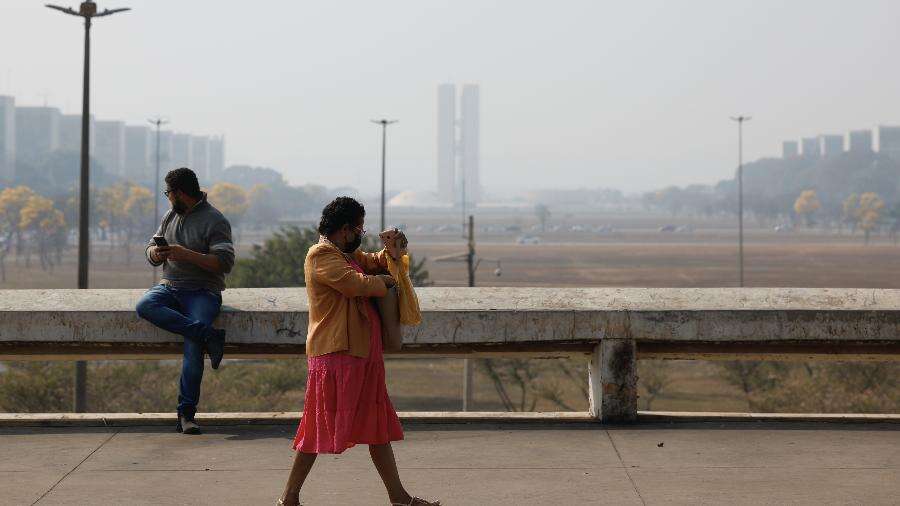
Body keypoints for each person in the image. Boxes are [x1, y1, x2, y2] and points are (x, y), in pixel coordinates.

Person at [278, 197, 439, 506]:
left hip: (362, 353)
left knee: (377, 428)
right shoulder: (321, 255)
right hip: (336, 355)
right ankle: (289, 497)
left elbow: (372, 261)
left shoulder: (345, 254)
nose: (361, 235)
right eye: (359, 229)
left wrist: (392, 252)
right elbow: (355, 285)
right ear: (345, 229)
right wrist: (385, 282)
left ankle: (400, 498)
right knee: (317, 426)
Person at [135, 167, 235, 435]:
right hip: (170, 287)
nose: (167, 198)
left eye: (168, 193)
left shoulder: (215, 220)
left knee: (192, 348)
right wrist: (156, 253)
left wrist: (186, 255)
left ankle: (186, 415)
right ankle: (209, 335)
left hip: (203, 291)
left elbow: (224, 263)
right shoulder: (171, 215)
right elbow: (149, 250)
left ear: (179, 193)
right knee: (144, 305)